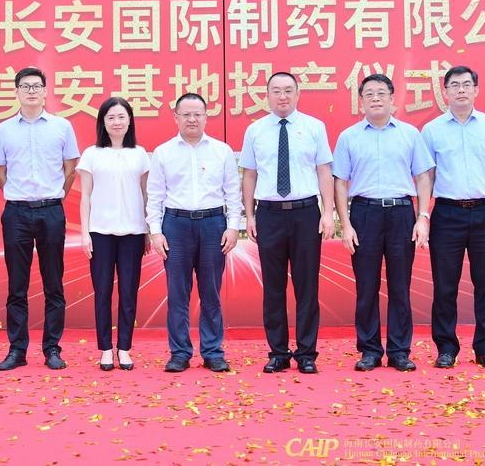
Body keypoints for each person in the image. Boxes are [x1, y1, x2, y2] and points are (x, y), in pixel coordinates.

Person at [333, 74, 434, 372]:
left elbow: (423, 177)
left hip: (402, 212)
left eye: (381, 93)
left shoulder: (410, 134)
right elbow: (340, 182)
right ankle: (370, 350)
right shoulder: (348, 137)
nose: (375, 98)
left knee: (400, 285)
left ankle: (400, 351)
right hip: (364, 213)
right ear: (361, 101)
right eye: (369, 94)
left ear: (392, 99)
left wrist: (423, 216)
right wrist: (346, 224)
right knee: (366, 285)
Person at [239, 71, 335, 374]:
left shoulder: (314, 127)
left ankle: (306, 353)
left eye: (288, 90)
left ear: (298, 94)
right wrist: (249, 215)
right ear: (267, 95)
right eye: (276, 91)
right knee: (273, 286)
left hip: (306, 213)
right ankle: (278, 352)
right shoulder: (255, 130)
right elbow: (250, 174)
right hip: (269, 213)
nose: (282, 96)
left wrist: (328, 212)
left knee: (307, 286)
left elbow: (324, 171)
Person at [422, 65, 485, 370]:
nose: (460, 90)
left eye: (466, 85)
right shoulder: (432, 130)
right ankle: (446, 348)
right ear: (445, 92)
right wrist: (423, 215)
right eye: (454, 85)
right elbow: (426, 176)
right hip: (447, 213)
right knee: (444, 285)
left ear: (476, 90)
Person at [0, 67, 80, 371]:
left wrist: (55, 198)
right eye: (25, 86)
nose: (31, 91)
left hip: (51, 211)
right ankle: (17, 350)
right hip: (16, 212)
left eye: (36, 86)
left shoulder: (62, 127)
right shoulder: (3, 130)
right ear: (16, 92)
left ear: (45, 92)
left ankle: (52, 349)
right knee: (17, 285)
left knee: (54, 282)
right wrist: (19, 196)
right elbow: (0, 172)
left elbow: (70, 168)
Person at [146, 93, 241, 373]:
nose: (192, 119)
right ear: (175, 117)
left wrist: (233, 226)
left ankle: (213, 351)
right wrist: (155, 232)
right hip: (175, 225)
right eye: (186, 114)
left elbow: (232, 192)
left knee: (211, 292)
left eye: (197, 114)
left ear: (206, 117)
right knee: (177, 293)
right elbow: (155, 196)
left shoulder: (221, 151)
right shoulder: (163, 152)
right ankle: (179, 353)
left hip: (213, 224)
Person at [77, 97, 151, 371]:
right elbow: (85, 196)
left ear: (130, 120)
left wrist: (147, 230)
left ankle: (125, 348)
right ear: (102, 122)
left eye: (121, 117)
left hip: (133, 232)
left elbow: (146, 195)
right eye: (111, 117)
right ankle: (106, 349)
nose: (116, 122)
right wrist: (85, 233)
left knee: (129, 292)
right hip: (100, 232)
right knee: (103, 292)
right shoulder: (92, 154)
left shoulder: (140, 154)